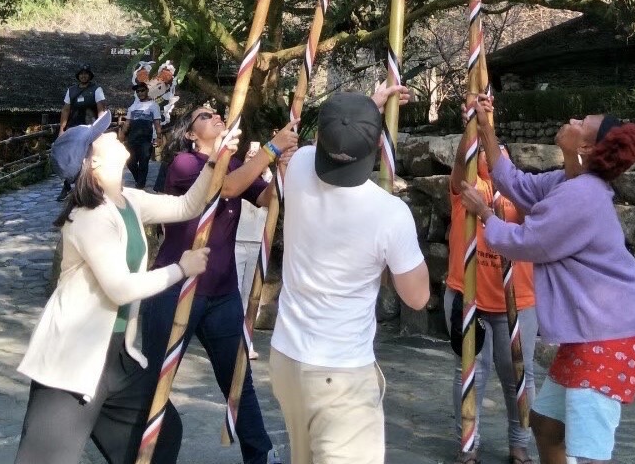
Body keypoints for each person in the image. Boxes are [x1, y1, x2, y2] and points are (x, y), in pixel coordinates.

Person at [14, 110, 216, 464]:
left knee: (160, 436)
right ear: (93, 163)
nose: (112, 133)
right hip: (73, 358)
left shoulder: (128, 200)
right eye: (101, 136)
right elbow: (120, 289)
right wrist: (180, 269)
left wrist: (215, 161)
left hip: (117, 359)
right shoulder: (88, 216)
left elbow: (188, 205)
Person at [458, 96, 635, 464]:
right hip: (589, 334)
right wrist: (486, 129)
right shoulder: (570, 181)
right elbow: (518, 185)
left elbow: (530, 242)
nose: (573, 119)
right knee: (546, 425)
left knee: (587, 448)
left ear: (586, 146)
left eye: (582, 122)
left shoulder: (583, 196)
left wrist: (484, 213)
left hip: (606, 336)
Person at [269, 86, 429, 464]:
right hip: (339, 374)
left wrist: (361, 111)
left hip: (287, 359)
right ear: (376, 144)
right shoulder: (390, 214)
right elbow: (417, 297)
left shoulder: (299, 165)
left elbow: (330, 138)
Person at [141, 106, 298, 464]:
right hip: (175, 286)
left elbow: (265, 198)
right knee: (154, 382)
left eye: (215, 112)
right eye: (203, 116)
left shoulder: (239, 163)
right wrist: (271, 149)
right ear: (191, 135)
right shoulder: (184, 164)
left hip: (222, 293)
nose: (214, 115)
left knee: (239, 379)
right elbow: (223, 187)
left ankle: (260, 455)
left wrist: (282, 168)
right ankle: (142, 453)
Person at [447, 126, 537, 464]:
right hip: (467, 297)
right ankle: (468, 446)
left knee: (518, 375)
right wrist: (471, 125)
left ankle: (519, 446)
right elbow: (460, 161)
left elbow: (535, 221)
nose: (488, 154)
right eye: (483, 150)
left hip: (518, 301)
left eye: (496, 150)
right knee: (469, 373)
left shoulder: (523, 192)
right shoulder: (467, 187)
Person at [234, 140, 271, 360]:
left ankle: (247, 340)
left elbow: (274, 196)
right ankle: (233, 339)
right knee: (235, 293)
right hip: (237, 240)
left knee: (252, 294)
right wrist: (247, 166)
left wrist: (265, 170)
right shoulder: (238, 177)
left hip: (258, 242)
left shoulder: (268, 180)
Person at [57, 64, 108, 201]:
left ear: (90, 76)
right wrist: (62, 129)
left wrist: (100, 128)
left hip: (90, 129)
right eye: (81, 73)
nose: (83, 76)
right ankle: (67, 186)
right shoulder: (71, 90)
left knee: (90, 158)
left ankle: (92, 186)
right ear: (78, 76)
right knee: (71, 158)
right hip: (74, 129)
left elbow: (101, 109)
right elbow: (66, 110)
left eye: (86, 73)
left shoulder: (97, 90)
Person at [121, 82, 163, 189]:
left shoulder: (153, 105)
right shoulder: (133, 106)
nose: (140, 93)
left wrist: (159, 137)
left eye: (142, 90)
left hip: (145, 140)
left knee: (143, 163)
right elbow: (127, 123)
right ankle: (138, 179)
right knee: (130, 162)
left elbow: (157, 123)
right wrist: (121, 137)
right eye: (138, 91)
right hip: (132, 139)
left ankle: (140, 185)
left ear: (147, 90)